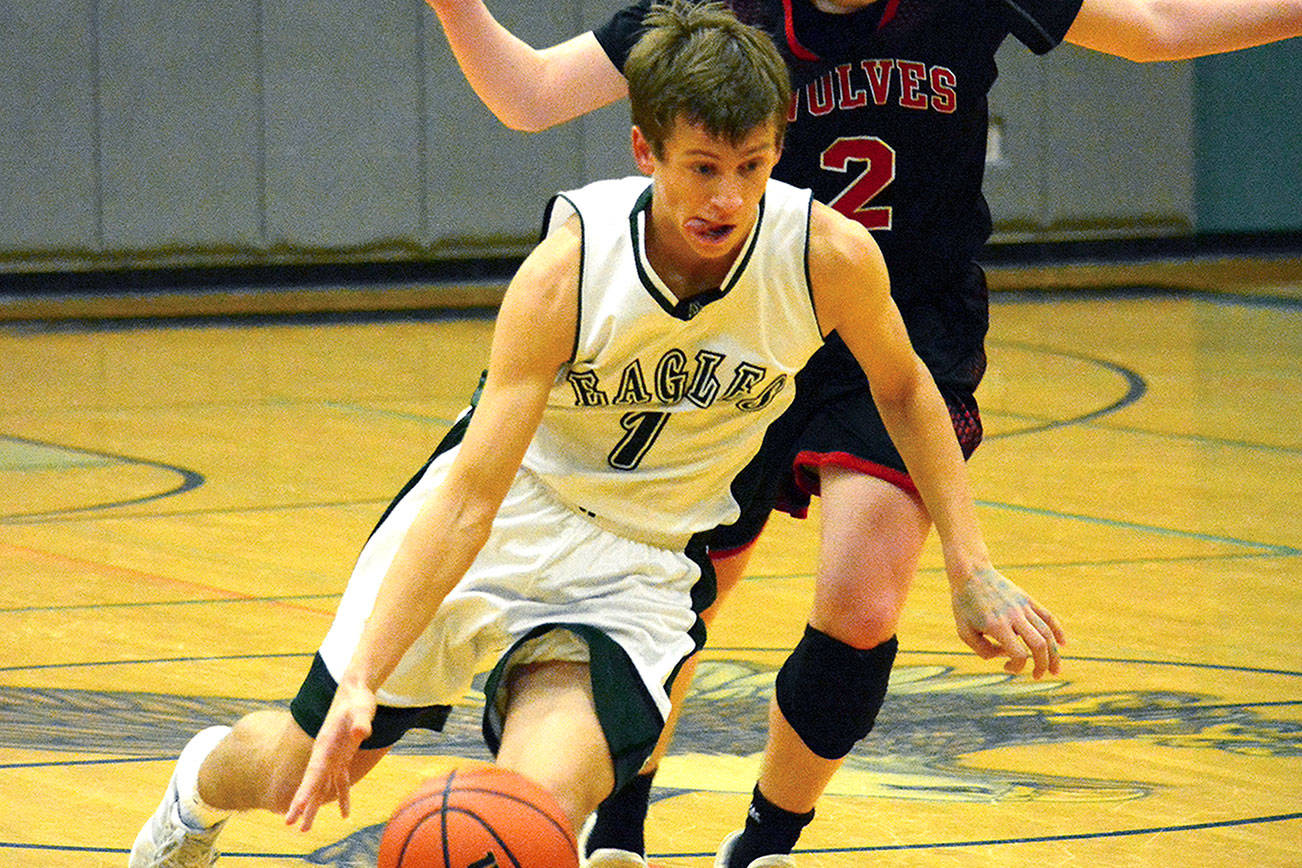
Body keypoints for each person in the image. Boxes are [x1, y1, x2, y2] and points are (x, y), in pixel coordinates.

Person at [127, 3, 1061, 866]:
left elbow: (906, 392)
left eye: (751, 166)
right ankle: (194, 791)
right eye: (702, 167)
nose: (726, 199)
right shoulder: (572, 263)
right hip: (509, 517)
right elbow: (469, 495)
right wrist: (368, 676)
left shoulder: (829, 256)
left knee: (528, 810)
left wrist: (969, 563)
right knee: (296, 766)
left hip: (640, 564)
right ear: (645, 150)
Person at [422, 0, 1302, 866]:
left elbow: (1159, 28)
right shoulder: (717, 13)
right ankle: (619, 829)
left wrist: (972, 562)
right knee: (686, 596)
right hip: (745, 326)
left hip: (905, 321)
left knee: (864, 600)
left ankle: (766, 842)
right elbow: (530, 93)